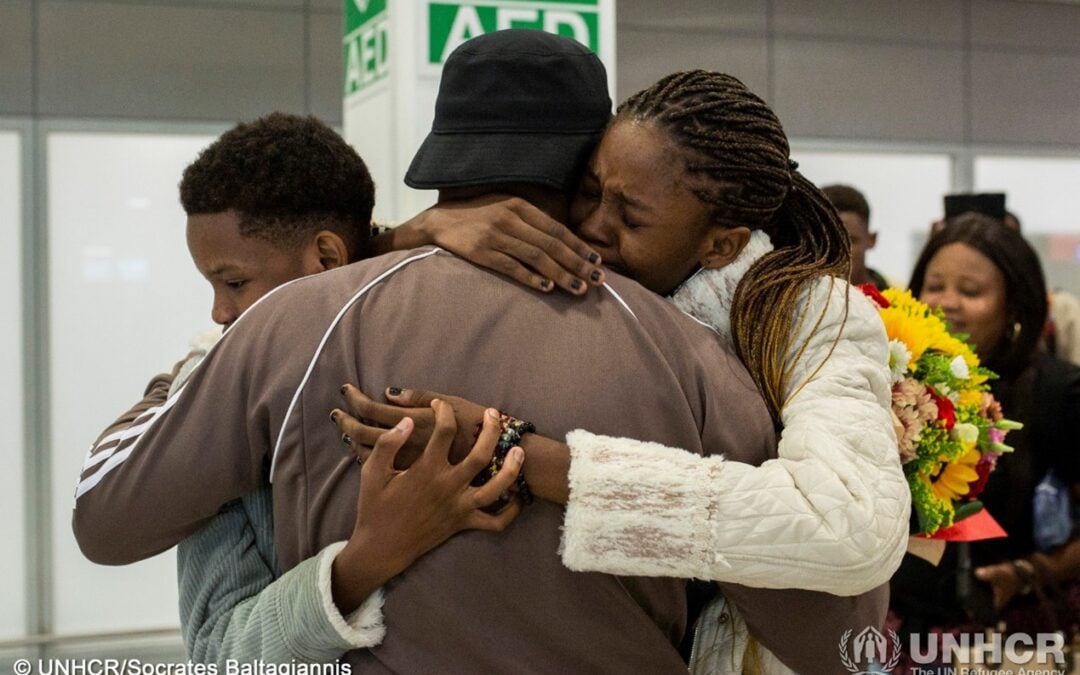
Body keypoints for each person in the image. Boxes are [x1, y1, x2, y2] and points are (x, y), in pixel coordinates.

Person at [71, 33, 892, 675]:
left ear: (442, 156)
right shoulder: (697, 354)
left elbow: (106, 516)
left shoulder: (298, 320)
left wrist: (369, 253)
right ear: (589, 158)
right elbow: (837, 635)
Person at [338, 68, 910, 671]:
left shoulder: (814, 312)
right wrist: (419, 230)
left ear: (721, 245)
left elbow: (850, 528)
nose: (592, 226)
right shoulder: (582, 270)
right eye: (589, 190)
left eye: (631, 219)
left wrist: (523, 456)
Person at [83, 112, 523, 663]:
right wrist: (359, 566)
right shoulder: (235, 390)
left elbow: (218, 653)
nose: (219, 311)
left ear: (329, 256)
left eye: (234, 282)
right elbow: (222, 648)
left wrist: (193, 372)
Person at [890, 213, 1080, 653]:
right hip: (896, 637)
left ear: (1014, 305)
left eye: (970, 291)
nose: (946, 302)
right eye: (934, 286)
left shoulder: (1060, 392)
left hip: (1015, 640)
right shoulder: (894, 383)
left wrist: (1030, 572)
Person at [822, 183, 889, 289]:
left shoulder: (897, 302)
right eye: (828, 243)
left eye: (850, 242)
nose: (839, 253)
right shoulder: (796, 301)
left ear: (872, 239)